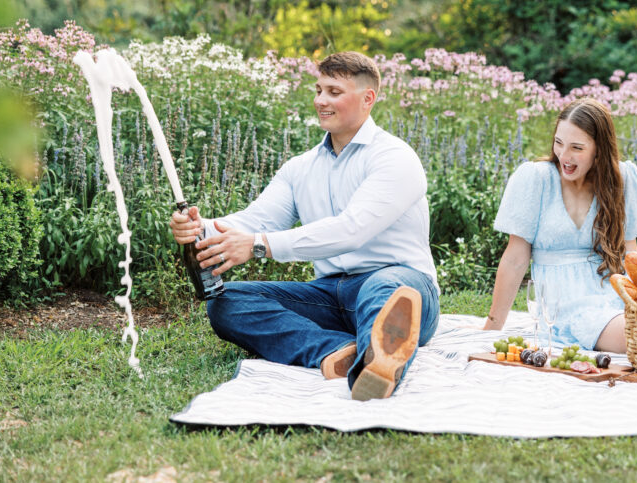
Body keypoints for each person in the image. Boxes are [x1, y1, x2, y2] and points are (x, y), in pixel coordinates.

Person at [169, 51, 439, 401]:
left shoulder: (394, 157)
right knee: (227, 301)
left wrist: (258, 244)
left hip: (402, 286)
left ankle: (378, 368)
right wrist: (200, 228)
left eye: (333, 92)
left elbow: (350, 230)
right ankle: (336, 351)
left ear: (368, 98)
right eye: (318, 90)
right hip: (331, 296)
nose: (320, 101)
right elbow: (257, 221)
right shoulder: (301, 167)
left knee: (383, 288)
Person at [482, 97, 637, 353]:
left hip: (614, 288)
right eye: (559, 143)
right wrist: (492, 327)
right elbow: (515, 259)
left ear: (599, 150)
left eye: (576, 147)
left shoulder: (621, 179)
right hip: (565, 304)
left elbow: (630, 256)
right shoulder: (537, 179)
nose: (564, 156)